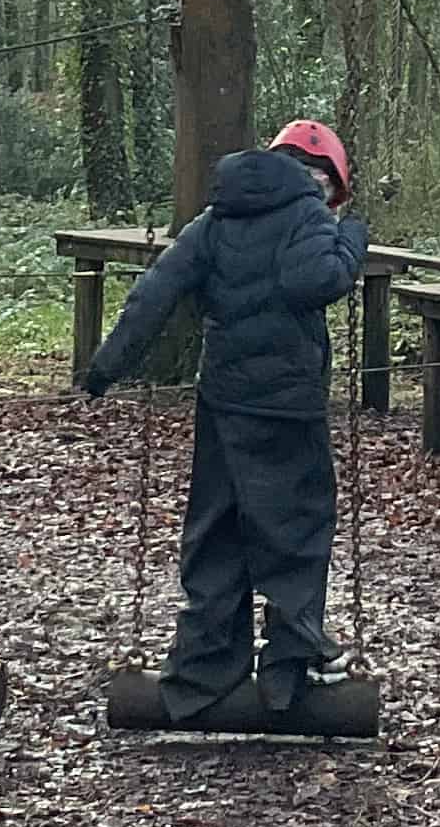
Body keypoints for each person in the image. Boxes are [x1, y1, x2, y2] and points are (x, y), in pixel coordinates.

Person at [76, 118, 365, 717]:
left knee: (217, 526)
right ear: (325, 179)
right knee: (297, 528)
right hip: (286, 404)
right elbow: (318, 280)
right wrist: (352, 239)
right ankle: (291, 663)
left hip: (223, 399)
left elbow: (155, 292)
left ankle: (205, 662)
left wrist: (106, 369)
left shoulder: (214, 221)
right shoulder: (310, 216)